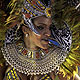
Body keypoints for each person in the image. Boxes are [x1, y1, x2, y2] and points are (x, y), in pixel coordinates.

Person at [0, 0, 80, 80]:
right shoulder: (6, 55)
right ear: (25, 30)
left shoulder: (57, 60)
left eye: (49, 27)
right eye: (41, 27)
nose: (48, 33)